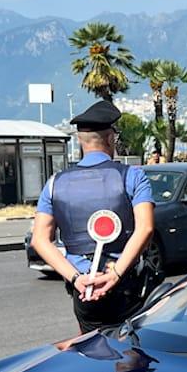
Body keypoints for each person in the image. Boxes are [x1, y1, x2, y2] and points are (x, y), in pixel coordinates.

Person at [31, 98, 156, 332]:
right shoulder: (132, 176)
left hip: (83, 290)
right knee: (131, 356)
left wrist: (76, 278)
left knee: (90, 352)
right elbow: (146, 228)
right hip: (125, 286)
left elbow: (39, 239)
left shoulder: (55, 183)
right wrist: (115, 273)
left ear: (80, 141)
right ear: (111, 139)